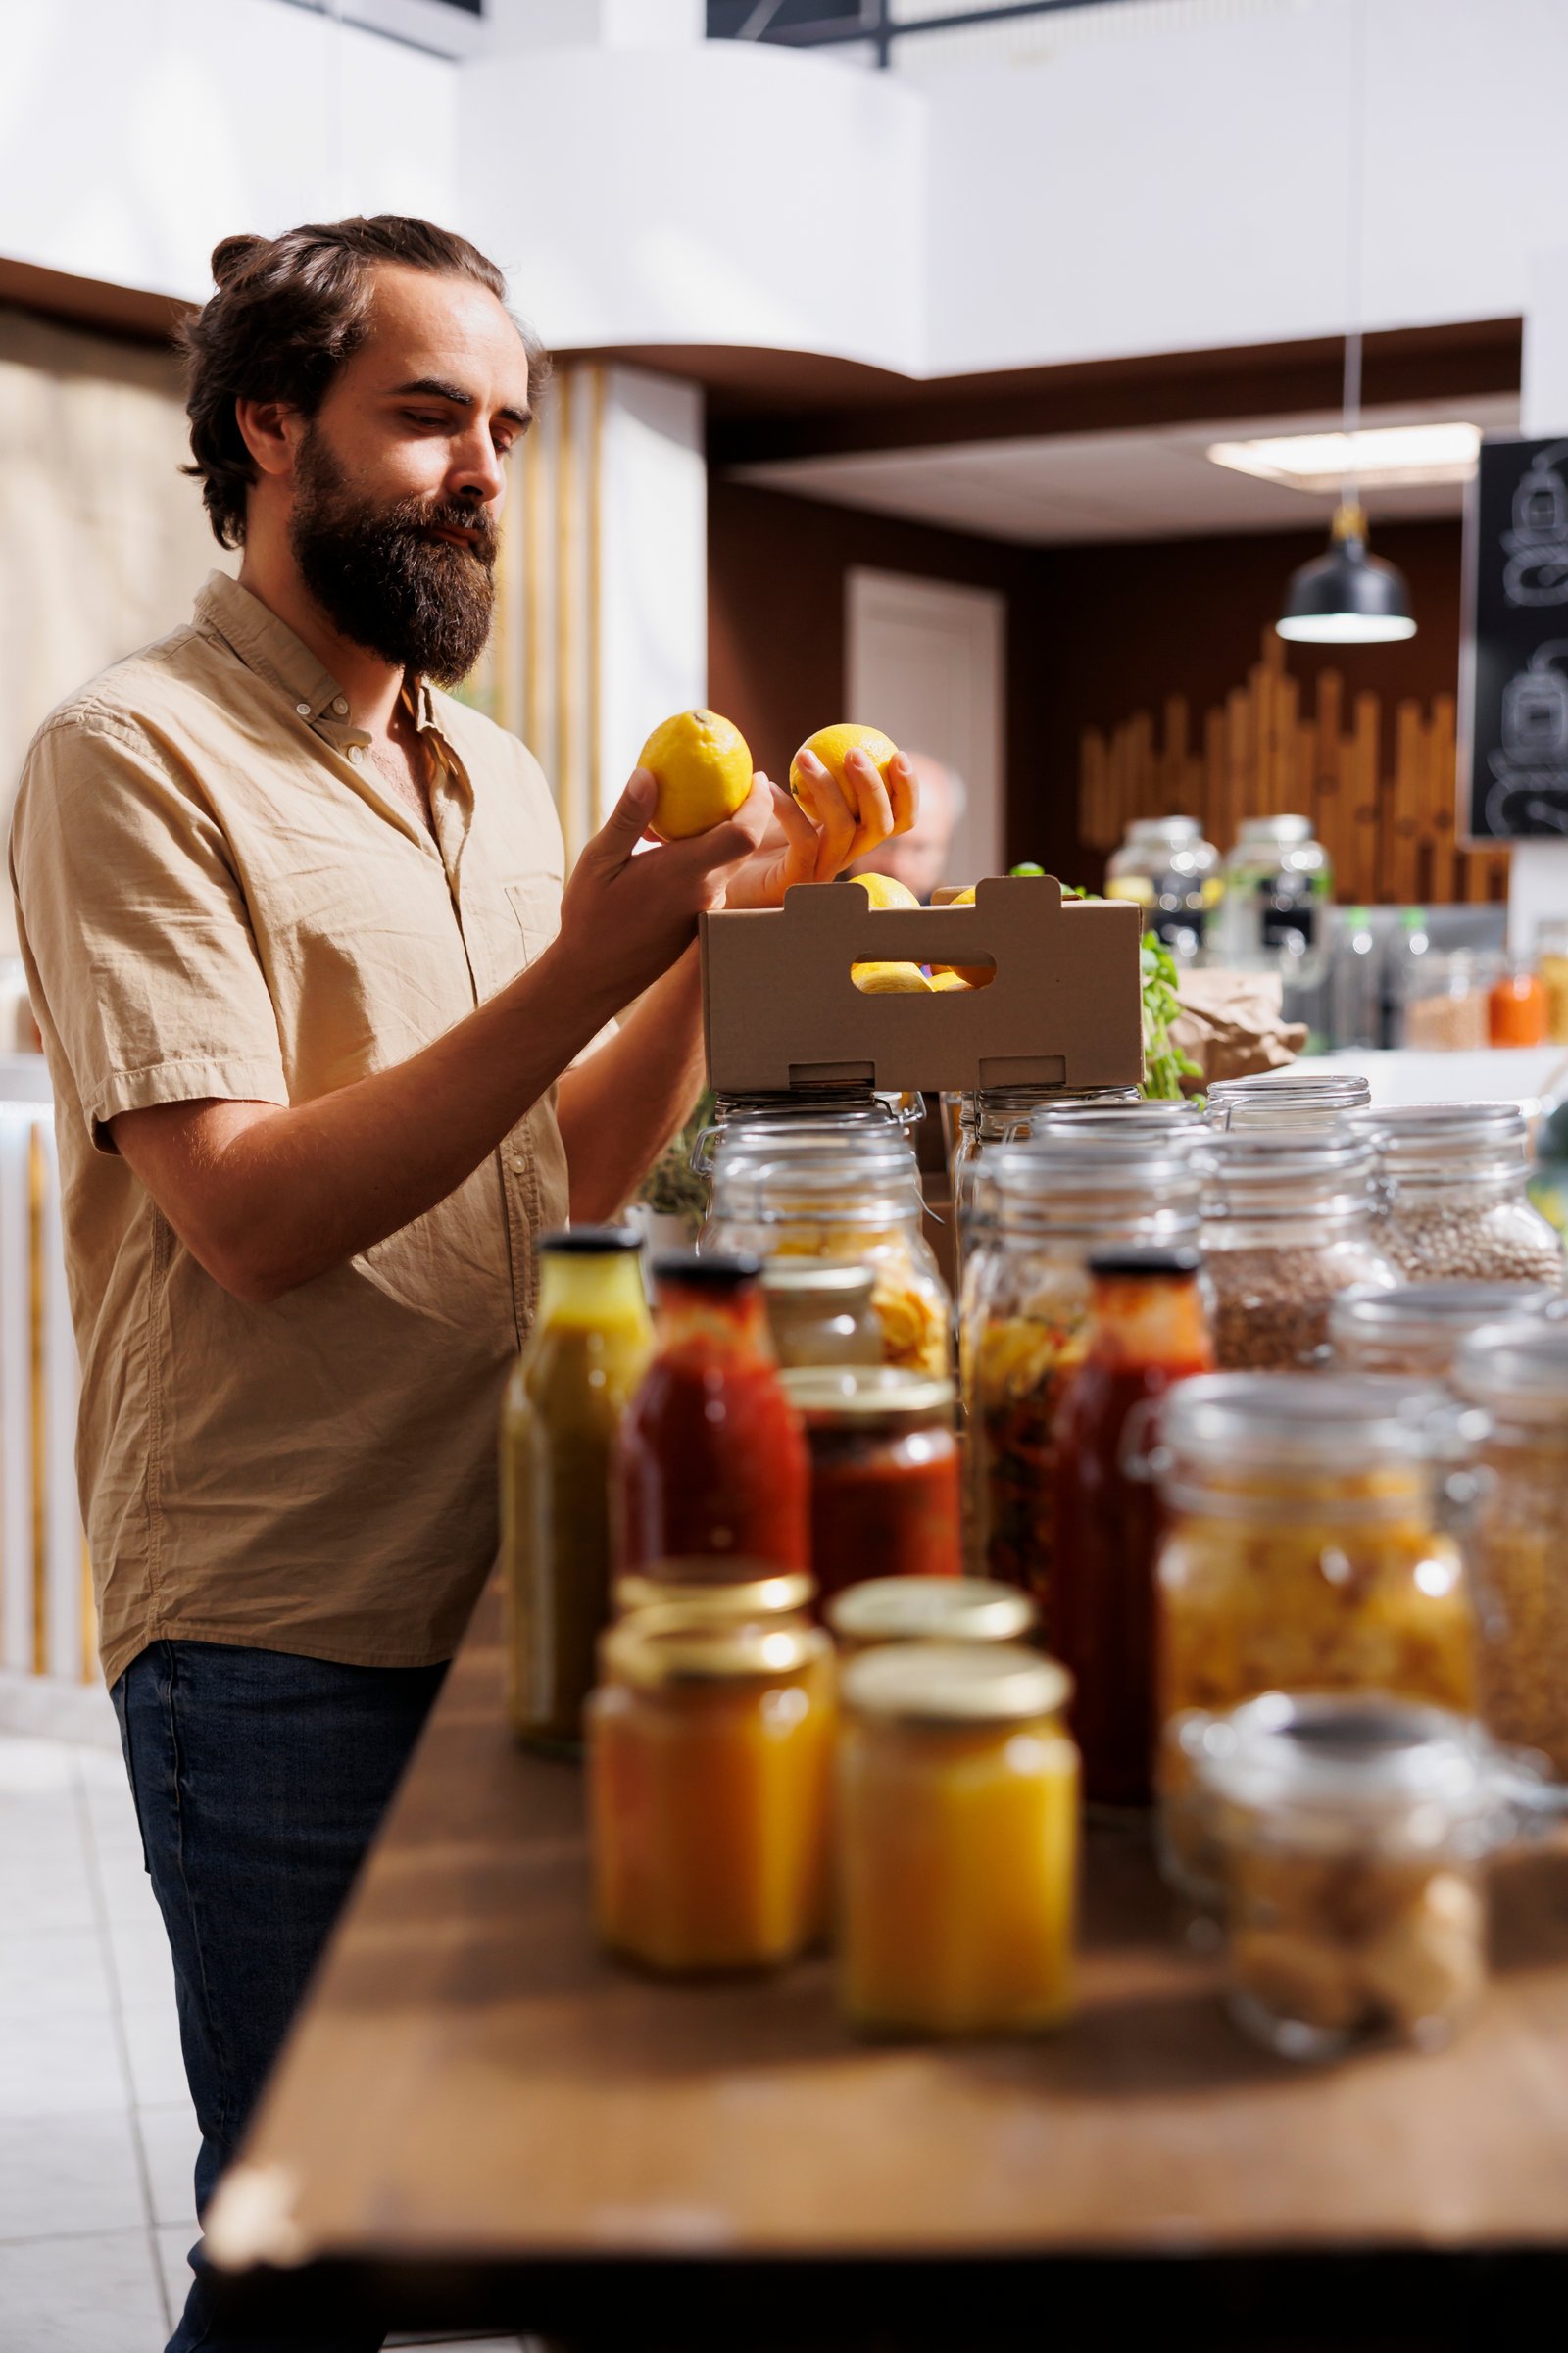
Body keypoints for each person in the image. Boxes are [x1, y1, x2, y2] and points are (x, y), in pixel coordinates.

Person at [9, 215, 914, 2353]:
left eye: (503, 422)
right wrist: (598, 953)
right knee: (315, 2237)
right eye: (426, 414)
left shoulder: (494, 779)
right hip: (280, 1611)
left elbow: (554, 1175)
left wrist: (705, 945)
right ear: (267, 427)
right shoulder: (129, 756)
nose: (486, 466)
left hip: (520, 1574)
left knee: (550, 2179)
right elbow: (242, 1214)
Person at [847, 749, 964, 901]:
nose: (898, 867)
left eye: (920, 848)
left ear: (947, 847)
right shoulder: (814, 908)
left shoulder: (969, 919)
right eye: (884, 842)